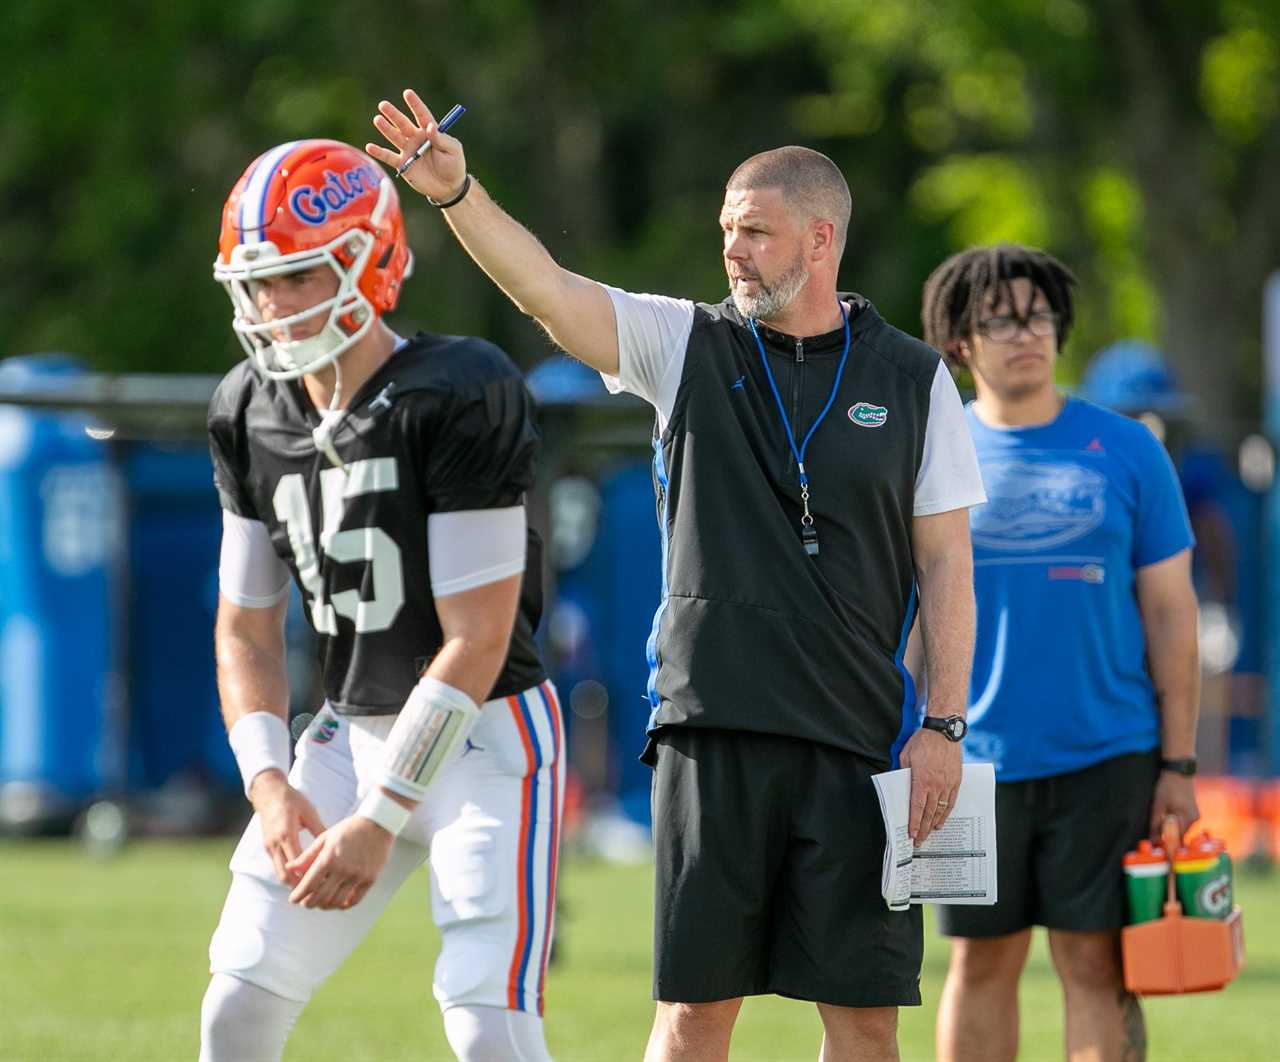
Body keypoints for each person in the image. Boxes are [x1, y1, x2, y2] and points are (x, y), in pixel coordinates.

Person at [369, 90, 987, 1062]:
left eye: (753, 232)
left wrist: (942, 729)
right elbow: (548, 291)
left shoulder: (914, 380)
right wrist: (458, 195)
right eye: (724, 231)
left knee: (865, 1022)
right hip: (713, 730)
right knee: (695, 1017)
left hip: (862, 737)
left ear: (819, 240)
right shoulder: (682, 341)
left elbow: (947, 564)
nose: (730, 251)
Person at [199, 138, 562, 1062]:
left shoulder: (459, 390)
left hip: (485, 739)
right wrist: (270, 784)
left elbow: (476, 640)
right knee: (237, 1000)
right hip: (345, 735)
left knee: (488, 1024)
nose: (271, 306)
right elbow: (245, 626)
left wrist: (382, 815)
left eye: (297, 277)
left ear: (368, 263)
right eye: (259, 282)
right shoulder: (249, 407)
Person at [918, 245, 1201, 1062]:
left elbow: (1173, 617)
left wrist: (1179, 769)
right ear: (961, 341)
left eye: (1036, 314)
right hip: (963, 760)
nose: (1023, 333)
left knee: (1095, 962)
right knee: (978, 960)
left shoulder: (1130, 450)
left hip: (1109, 754)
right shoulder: (927, 455)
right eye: (998, 319)